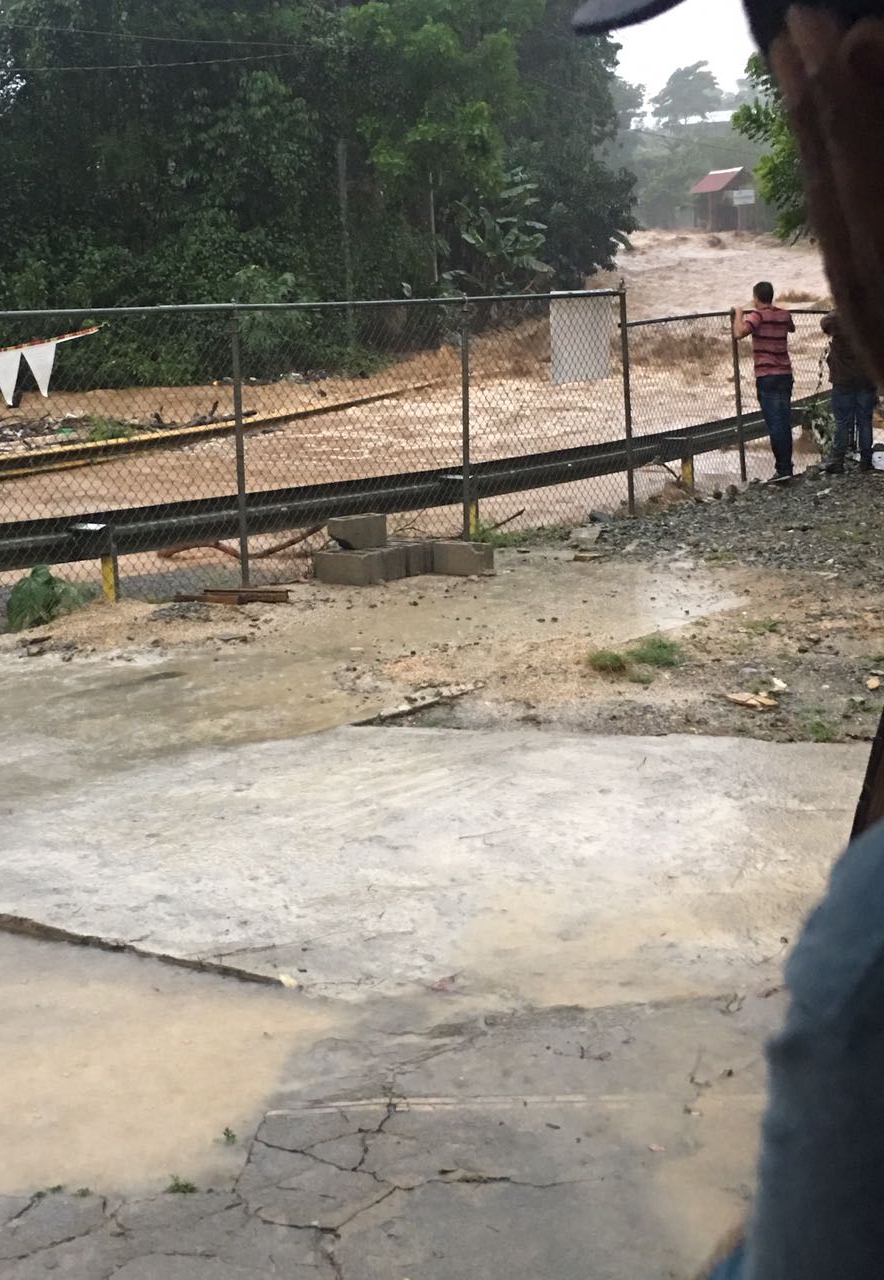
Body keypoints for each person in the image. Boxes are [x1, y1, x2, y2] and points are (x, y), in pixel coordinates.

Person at [571, 3, 884, 1279]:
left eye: (776, 42)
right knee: (796, 436)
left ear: (841, 84)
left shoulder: (869, 970)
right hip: (773, 399)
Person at [733, 283, 796, 483]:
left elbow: (738, 333)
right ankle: (787, 466)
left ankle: (783, 469)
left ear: (756, 298)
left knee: (775, 424)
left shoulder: (757, 316)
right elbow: (791, 327)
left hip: (767, 375)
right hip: (785, 374)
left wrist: (738, 313)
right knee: (784, 422)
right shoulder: (783, 314)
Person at [820, 309, 878, 472]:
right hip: (866, 378)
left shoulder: (839, 318)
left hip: (843, 379)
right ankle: (866, 460)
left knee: (843, 422)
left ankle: (837, 460)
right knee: (865, 421)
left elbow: (824, 323)